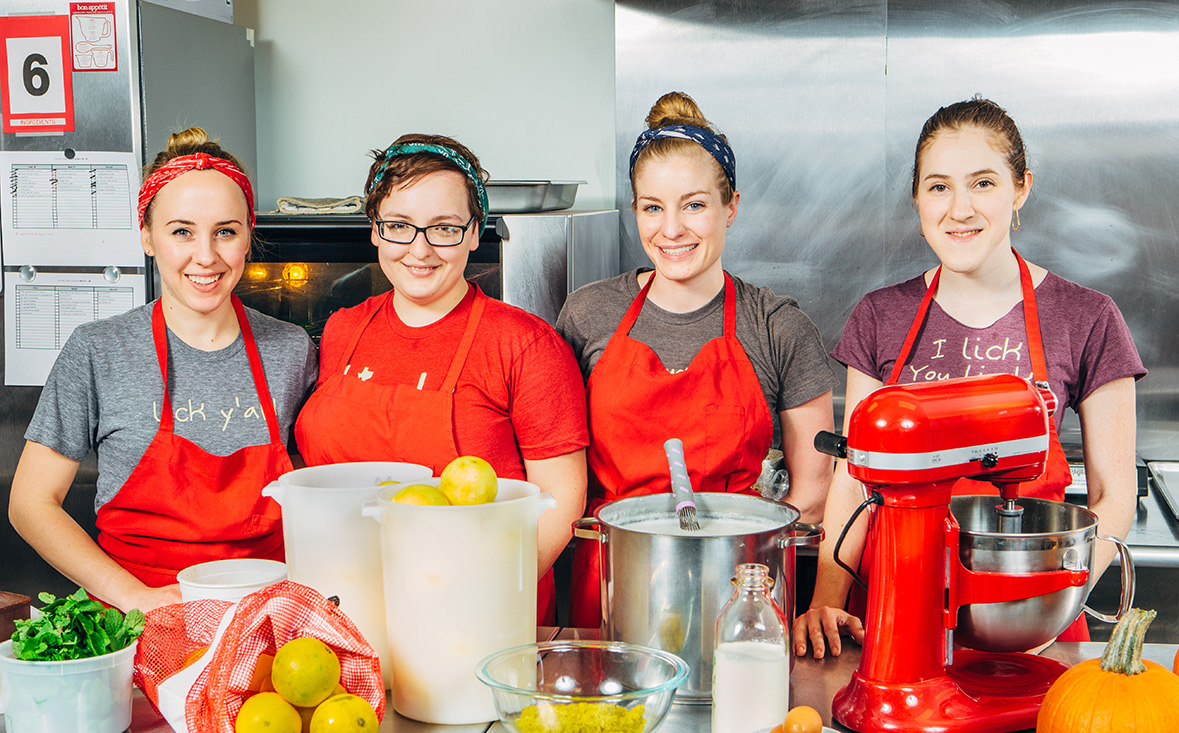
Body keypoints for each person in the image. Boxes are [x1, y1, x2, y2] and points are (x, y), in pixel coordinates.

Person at [796, 97, 1146, 657]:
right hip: (894, 612)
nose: (959, 209)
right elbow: (854, 477)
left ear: (1020, 189)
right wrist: (826, 600)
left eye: (982, 183)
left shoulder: (1087, 317)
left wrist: (1050, 607)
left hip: (1032, 614)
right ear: (917, 199)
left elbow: (1114, 495)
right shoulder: (881, 316)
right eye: (938, 187)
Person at [556, 92, 838, 627]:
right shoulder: (589, 313)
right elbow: (556, 470)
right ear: (635, 208)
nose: (672, 230)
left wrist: (742, 575)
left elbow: (814, 492)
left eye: (694, 205)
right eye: (653, 207)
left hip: (736, 589)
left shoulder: (778, 326)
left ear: (731, 207)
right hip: (611, 584)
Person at [10, 128, 317, 613]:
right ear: (147, 238)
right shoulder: (99, 349)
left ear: (247, 238)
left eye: (226, 231)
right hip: (133, 620)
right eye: (181, 231)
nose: (206, 255)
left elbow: (318, 499)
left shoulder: (291, 350)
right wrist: (136, 597)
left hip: (265, 619)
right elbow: (30, 503)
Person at [294, 133, 588, 626]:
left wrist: (485, 598)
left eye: (445, 228)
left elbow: (559, 503)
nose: (420, 249)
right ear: (374, 230)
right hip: (343, 612)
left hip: (472, 622)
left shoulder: (525, 345)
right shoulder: (343, 330)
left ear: (475, 233)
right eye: (399, 226)